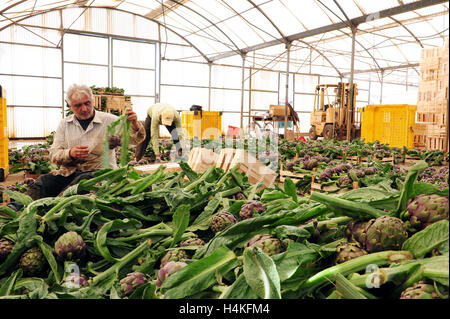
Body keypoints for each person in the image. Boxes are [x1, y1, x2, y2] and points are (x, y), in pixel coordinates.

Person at [26, 84, 146, 200]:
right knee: (43, 182)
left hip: (100, 174)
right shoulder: (65, 124)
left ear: (92, 101)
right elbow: (54, 154)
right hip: (69, 173)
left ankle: (54, 207)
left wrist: (135, 124)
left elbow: (135, 140)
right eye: (78, 105)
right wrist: (70, 154)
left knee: (79, 184)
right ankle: (18, 208)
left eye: (87, 103)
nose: (84, 109)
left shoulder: (110, 121)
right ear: (70, 106)